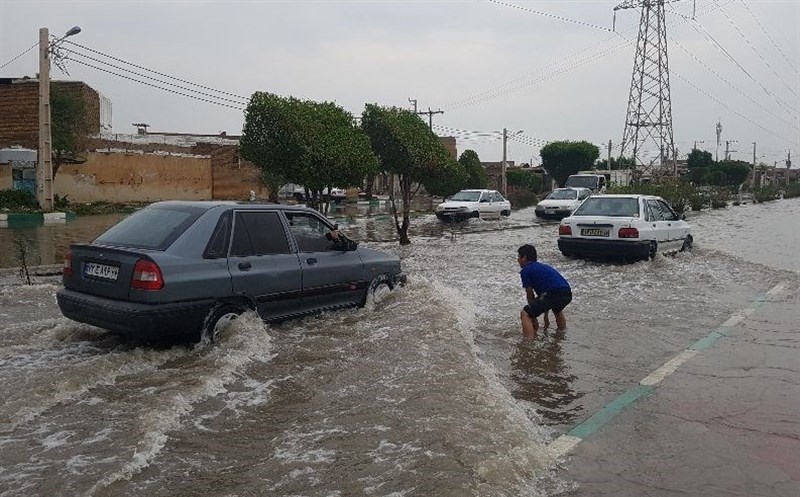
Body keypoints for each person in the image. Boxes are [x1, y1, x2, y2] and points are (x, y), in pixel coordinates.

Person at [517, 244, 572, 339]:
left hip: (553, 293)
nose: (517, 260)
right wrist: (545, 318)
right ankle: (562, 335)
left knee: (525, 314)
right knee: (557, 310)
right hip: (566, 292)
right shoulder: (542, 267)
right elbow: (544, 297)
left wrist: (532, 316)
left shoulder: (526, 270)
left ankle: (528, 342)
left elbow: (530, 294)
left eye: (518, 257)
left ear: (524, 258)